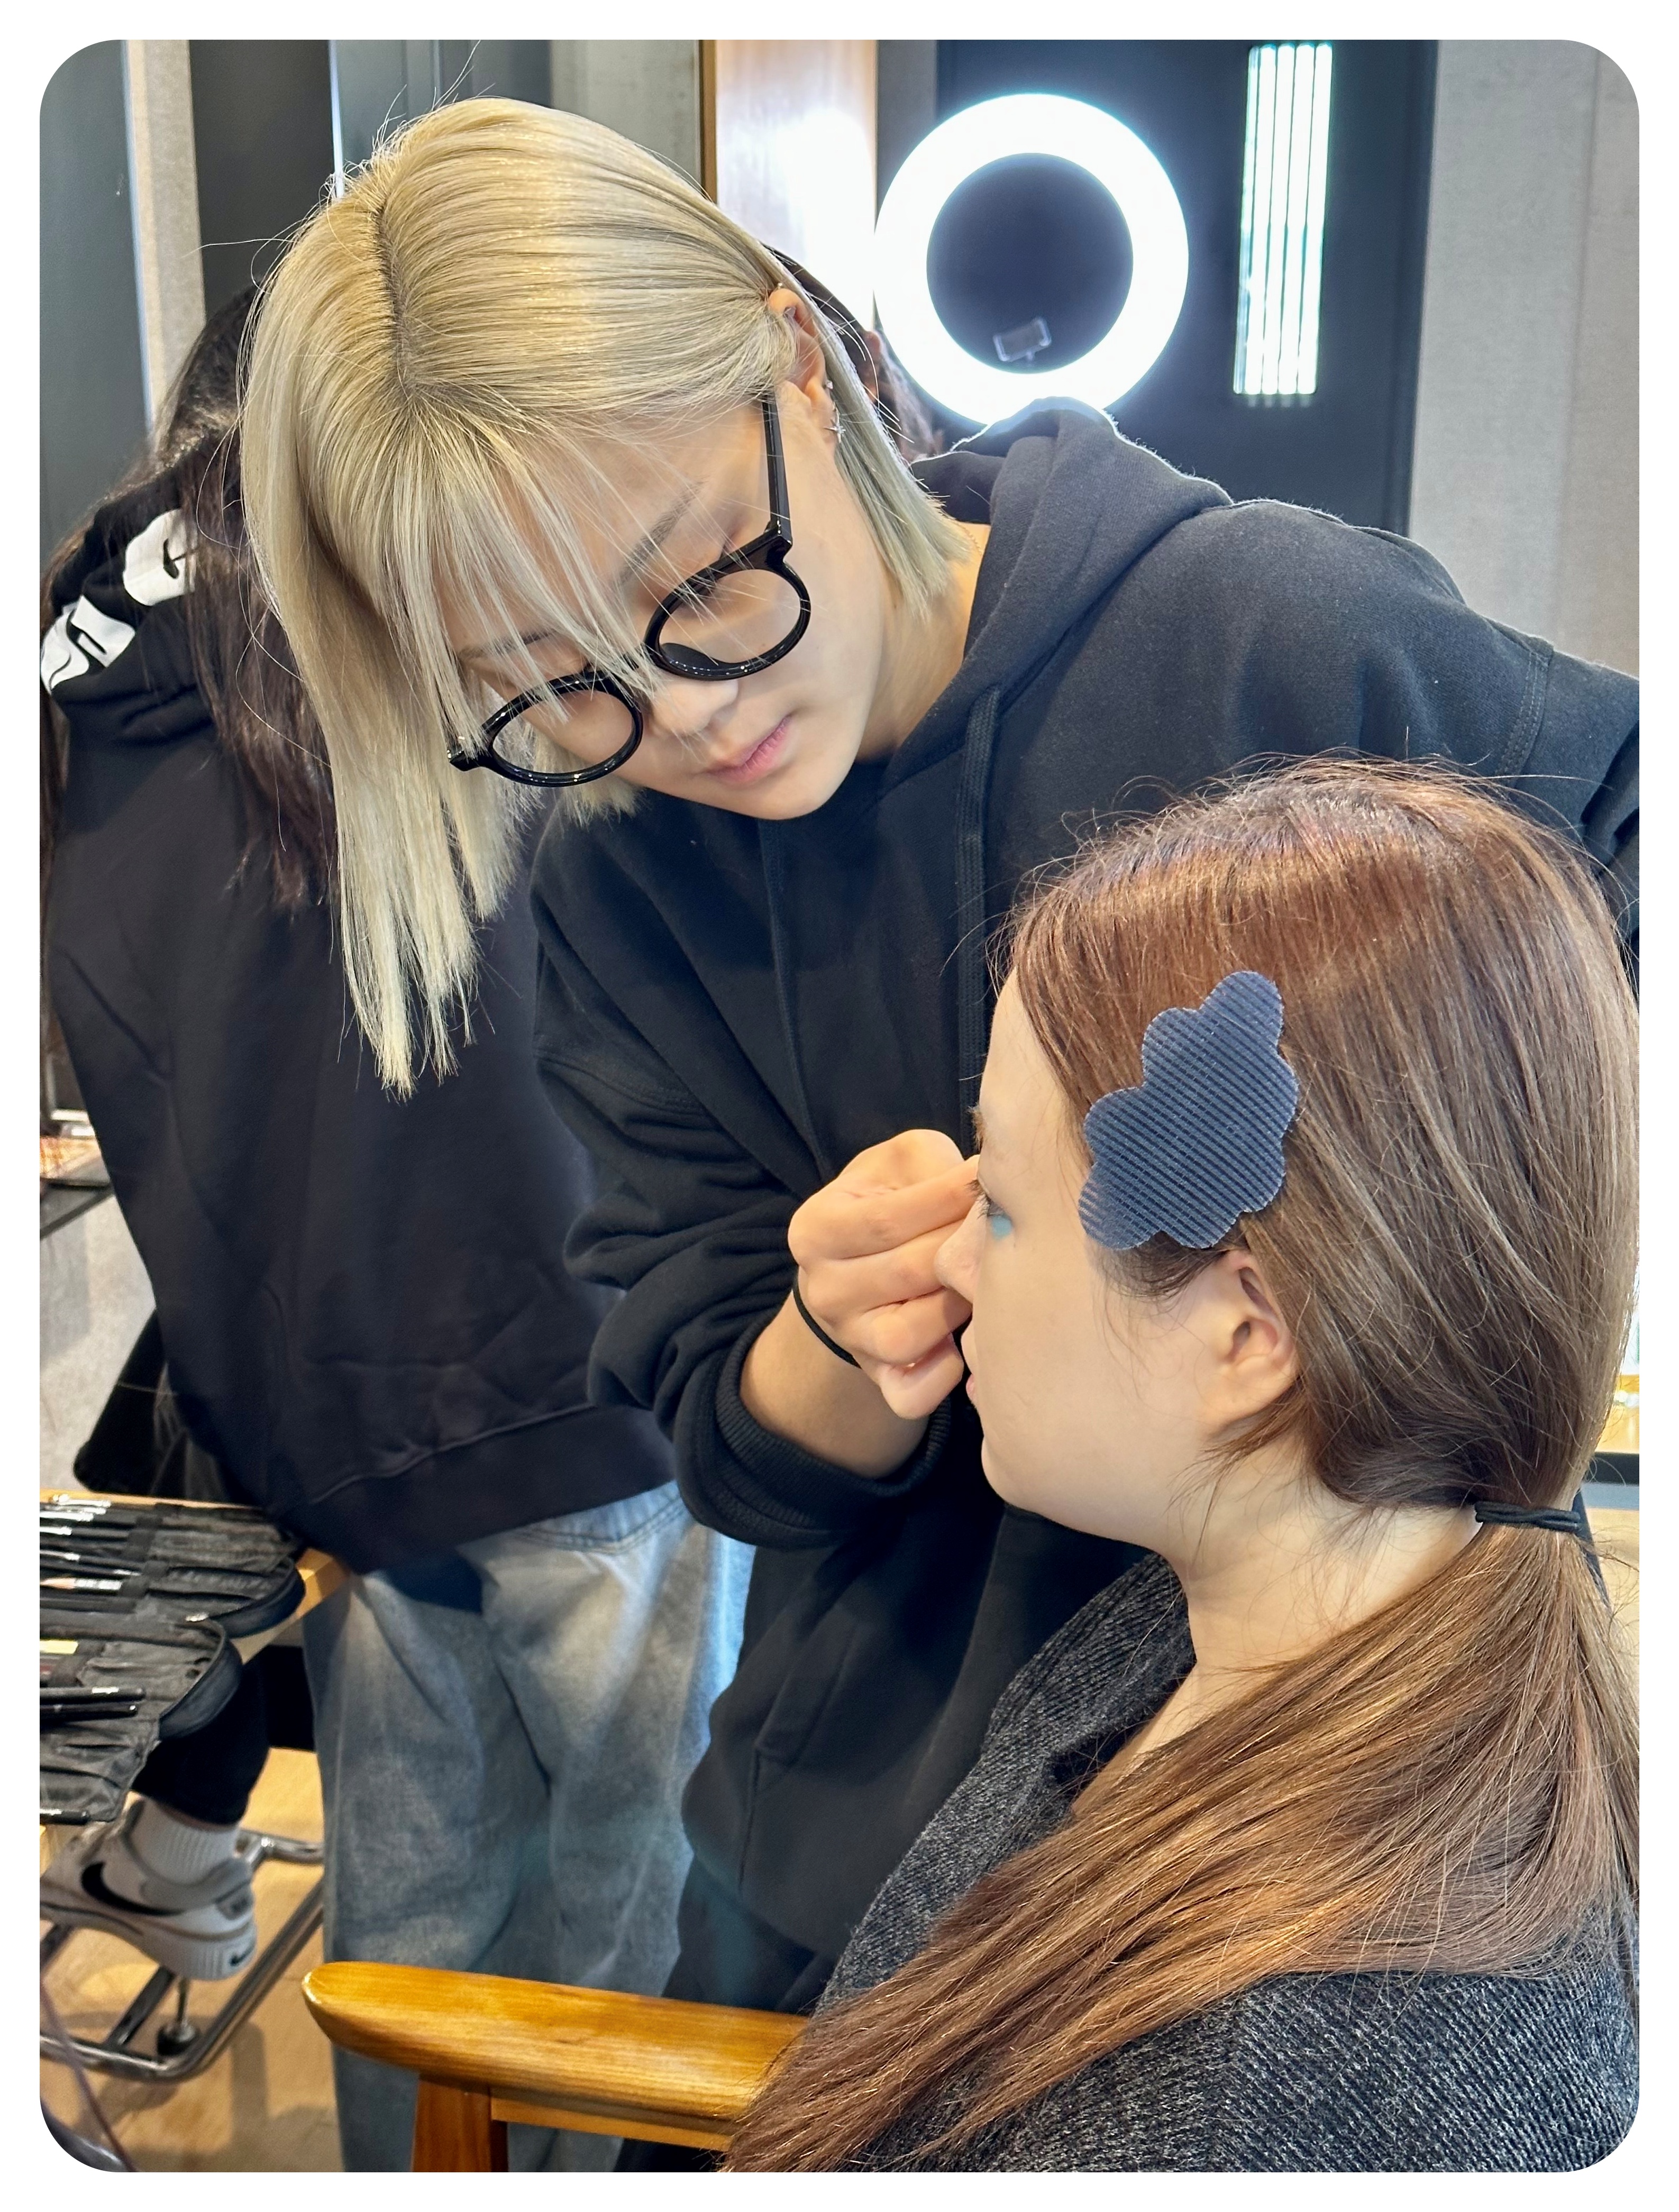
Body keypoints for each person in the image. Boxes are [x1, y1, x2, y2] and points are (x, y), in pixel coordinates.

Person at [238, 96, 1639, 2074]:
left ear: (798, 363)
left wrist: (1433, 1222)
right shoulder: (623, 893)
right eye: (550, 688)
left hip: (1344, 1810)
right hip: (867, 1827)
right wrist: (836, 1335)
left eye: (701, 577)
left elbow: (1600, 882)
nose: (687, 711)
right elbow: (730, 1448)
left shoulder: (1267, 646)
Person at [39, 287, 753, 2171]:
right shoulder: (433, 583)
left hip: (327, 1413)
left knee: (416, 1922)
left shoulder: (84, 672)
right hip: (588, 1353)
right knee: (633, 1937)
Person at [724, 761, 1638, 2171]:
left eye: (1000, 1203)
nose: (950, 1260)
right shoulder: (1241, 1620)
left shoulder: (1256, 2107)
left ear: (1246, 1335)